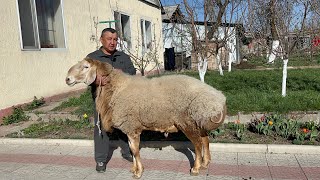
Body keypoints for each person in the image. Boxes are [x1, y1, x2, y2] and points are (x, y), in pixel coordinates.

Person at [87, 28, 136, 173]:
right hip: (102, 101)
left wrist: (123, 74)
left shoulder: (123, 57)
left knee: (123, 127)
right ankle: (101, 160)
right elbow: (85, 76)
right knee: (102, 129)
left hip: (121, 100)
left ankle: (127, 152)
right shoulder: (92, 57)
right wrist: (96, 80)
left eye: (115, 39)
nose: (112, 42)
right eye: (109, 39)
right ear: (101, 40)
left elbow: (132, 73)